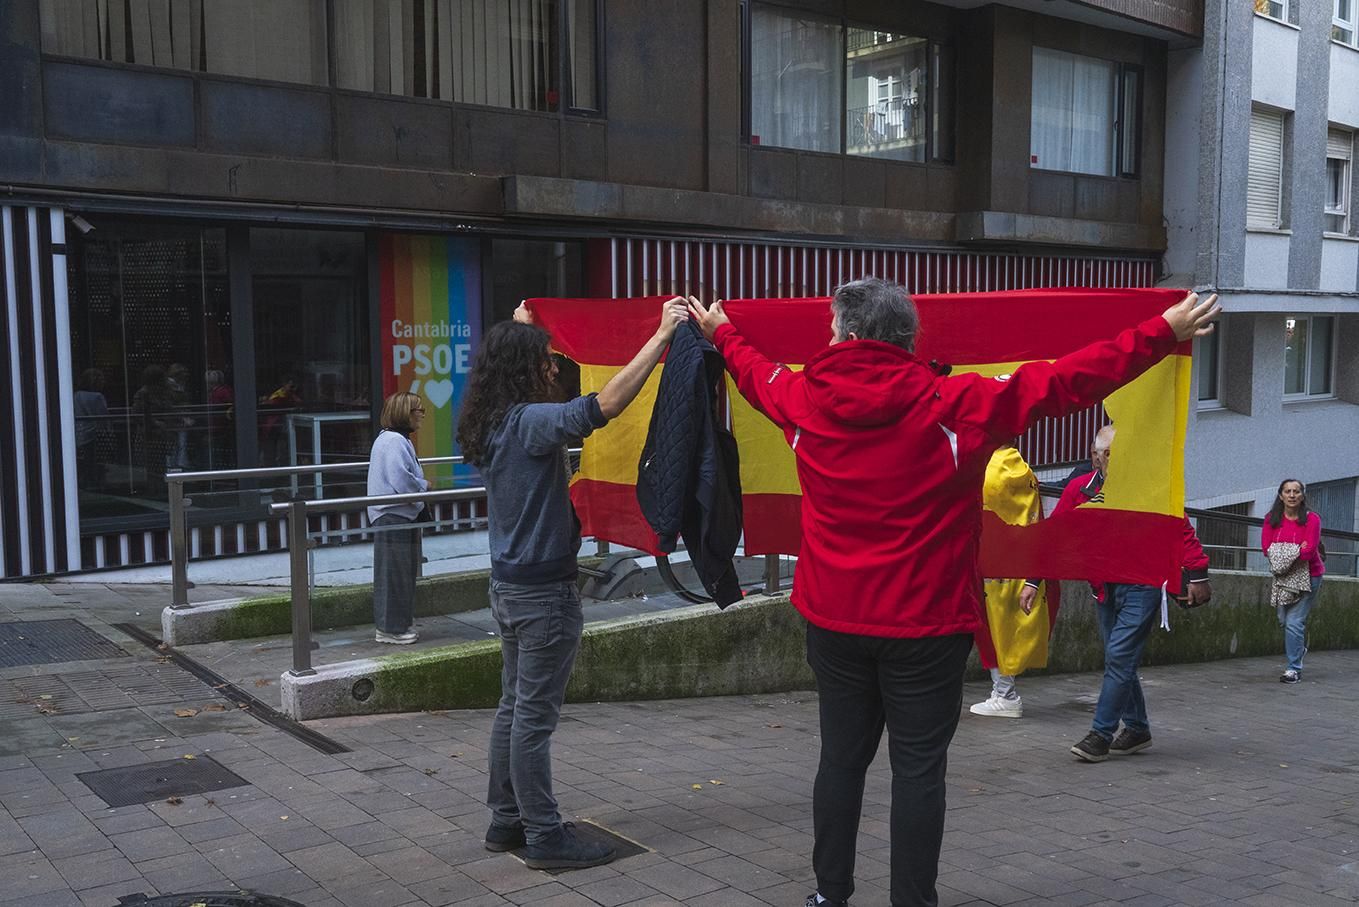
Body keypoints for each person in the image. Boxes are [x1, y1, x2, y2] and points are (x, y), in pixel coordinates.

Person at [688, 281, 1220, 907]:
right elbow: (1063, 381)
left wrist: (720, 328)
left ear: (849, 335)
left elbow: (753, 373)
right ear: (906, 339)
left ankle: (830, 896)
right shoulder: (955, 403)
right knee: (918, 774)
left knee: (840, 763)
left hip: (835, 621)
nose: (826, 339)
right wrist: (1163, 331)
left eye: (831, 330)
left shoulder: (802, 397)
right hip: (928, 627)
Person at [458, 296, 688, 871]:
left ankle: (505, 821)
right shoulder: (532, 423)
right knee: (532, 720)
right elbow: (605, 403)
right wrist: (660, 336)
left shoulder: (491, 423)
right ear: (526, 369)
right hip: (542, 598)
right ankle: (544, 836)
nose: (554, 366)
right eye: (547, 359)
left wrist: (521, 327)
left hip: (509, 590)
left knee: (513, 709)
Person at [1064, 424, 1211, 763]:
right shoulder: (1078, 490)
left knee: (1117, 655)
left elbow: (1179, 529)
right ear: (1096, 457)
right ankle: (1138, 728)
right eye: (1109, 454)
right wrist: (1032, 580)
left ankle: (1100, 734)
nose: (1116, 460)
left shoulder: (1149, 488)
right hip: (1104, 587)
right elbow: (1056, 537)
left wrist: (1198, 575)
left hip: (1142, 585)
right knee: (1119, 659)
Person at [970, 446, 1054, 720]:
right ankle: (1004, 691)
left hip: (990, 560)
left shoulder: (987, 469)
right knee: (1005, 628)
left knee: (992, 630)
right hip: (1019, 560)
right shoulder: (1023, 468)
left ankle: (1004, 694)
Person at [367, 391, 429, 644]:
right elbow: (401, 480)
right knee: (396, 574)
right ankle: (392, 628)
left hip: (394, 515)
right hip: (393, 515)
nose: (422, 414)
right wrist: (425, 486)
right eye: (418, 410)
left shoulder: (392, 439)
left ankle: (394, 625)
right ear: (405, 413)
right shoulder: (395, 441)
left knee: (397, 572)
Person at [1262, 479, 1324, 683]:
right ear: (1281, 495)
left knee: (1294, 622)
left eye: (1296, 491)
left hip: (1310, 575)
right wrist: (1297, 548)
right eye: (1287, 491)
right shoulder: (1271, 519)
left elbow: (1308, 553)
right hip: (1283, 578)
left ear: (1302, 495)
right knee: (1283, 620)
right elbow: (1266, 549)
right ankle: (1298, 648)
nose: (1292, 495)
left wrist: (1282, 550)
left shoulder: (1312, 519)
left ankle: (1293, 669)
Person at [74, 368, 110, 489]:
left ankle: (85, 482)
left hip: (79, 433)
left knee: (85, 460)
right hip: (95, 433)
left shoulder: (77, 395)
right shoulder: (97, 396)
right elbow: (103, 416)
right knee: (97, 461)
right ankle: (97, 484)